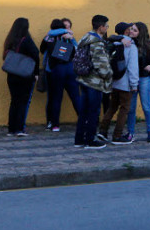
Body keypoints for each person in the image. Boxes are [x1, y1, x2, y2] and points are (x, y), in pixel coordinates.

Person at [75, 15, 113, 149]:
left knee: (84, 111)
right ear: (101, 27)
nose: (107, 28)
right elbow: (101, 64)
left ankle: (79, 140)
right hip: (94, 82)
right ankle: (90, 140)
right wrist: (109, 75)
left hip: (83, 79)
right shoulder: (96, 41)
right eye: (107, 26)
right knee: (93, 112)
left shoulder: (85, 38)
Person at [98, 22, 138, 144]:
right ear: (126, 31)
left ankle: (102, 131)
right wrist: (134, 84)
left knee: (112, 107)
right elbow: (132, 67)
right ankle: (117, 135)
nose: (131, 30)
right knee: (124, 109)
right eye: (129, 28)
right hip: (125, 83)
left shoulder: (112, 43)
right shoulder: (130, 45)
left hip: (114, 81)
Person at [40, 19, 80, 133]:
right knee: (76, 96)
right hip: (70, 68)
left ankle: (55, 125)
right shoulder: (69, 36)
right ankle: (83, 121)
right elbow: (77, 50)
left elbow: (42, 49)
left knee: (56, 98)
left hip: (56, 69)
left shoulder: (48, 37)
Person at [2, 17, 40, 137]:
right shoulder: (26, 40)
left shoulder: (10, 40)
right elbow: (35, 54)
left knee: (14, 102)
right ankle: (19, 129)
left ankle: (11, 129)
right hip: (25, 76)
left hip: (11, 76)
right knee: (23, 102)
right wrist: (36, 73)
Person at [127, 21, 150, 143]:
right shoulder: (128, 43)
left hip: (144, 78)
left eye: (135, 30)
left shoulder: (148, 45)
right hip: (132, 79)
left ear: (141, 33)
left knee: (146, 106)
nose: (131, 31)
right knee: (131, 108)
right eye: (131, 29)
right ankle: (130, 132)